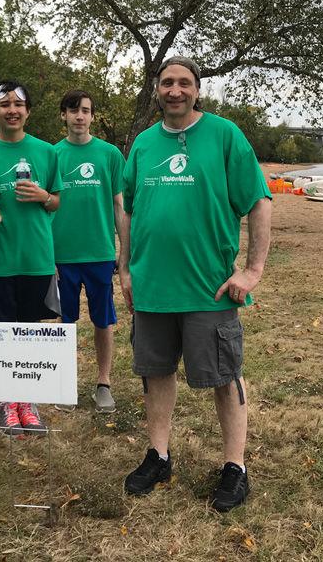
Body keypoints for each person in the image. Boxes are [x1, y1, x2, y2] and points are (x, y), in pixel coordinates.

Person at [119, 56, 271, 512]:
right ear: (157, 89)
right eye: (167, 82)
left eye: (184, 83)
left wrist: (252, 270)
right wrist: (125, 266)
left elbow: (259, 202)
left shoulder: (224, 136)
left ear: (197, 90)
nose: (175, 90)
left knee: (224, 377)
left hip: (210, 288)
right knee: (156, 373)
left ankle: (235, 466)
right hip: (152, 286)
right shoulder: (144, 144)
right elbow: (126, 204)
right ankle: (159, 455)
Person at [0, 80, 63, 436]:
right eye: (5, 105)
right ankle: (5, 403)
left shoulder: (46, 152)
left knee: (30, 332)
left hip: (37, 258)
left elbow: (57, 201)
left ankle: (27, 402)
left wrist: (44, 195)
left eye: (19, 104)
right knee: (1, 332)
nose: (12, 110)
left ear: (28, 112)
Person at [52, 90, 126, 413]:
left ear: (92, 116)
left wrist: (124, 254)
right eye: (73, 110)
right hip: (61, 256)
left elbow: (119, 206)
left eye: (85, 110)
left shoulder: (110, 155)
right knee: (63, 323)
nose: (79, 116)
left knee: (103, 321)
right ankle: (63, 384)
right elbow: (45, 208)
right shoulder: (51, 155)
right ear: (63, 116)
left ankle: (103, 383)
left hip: (99, 254)